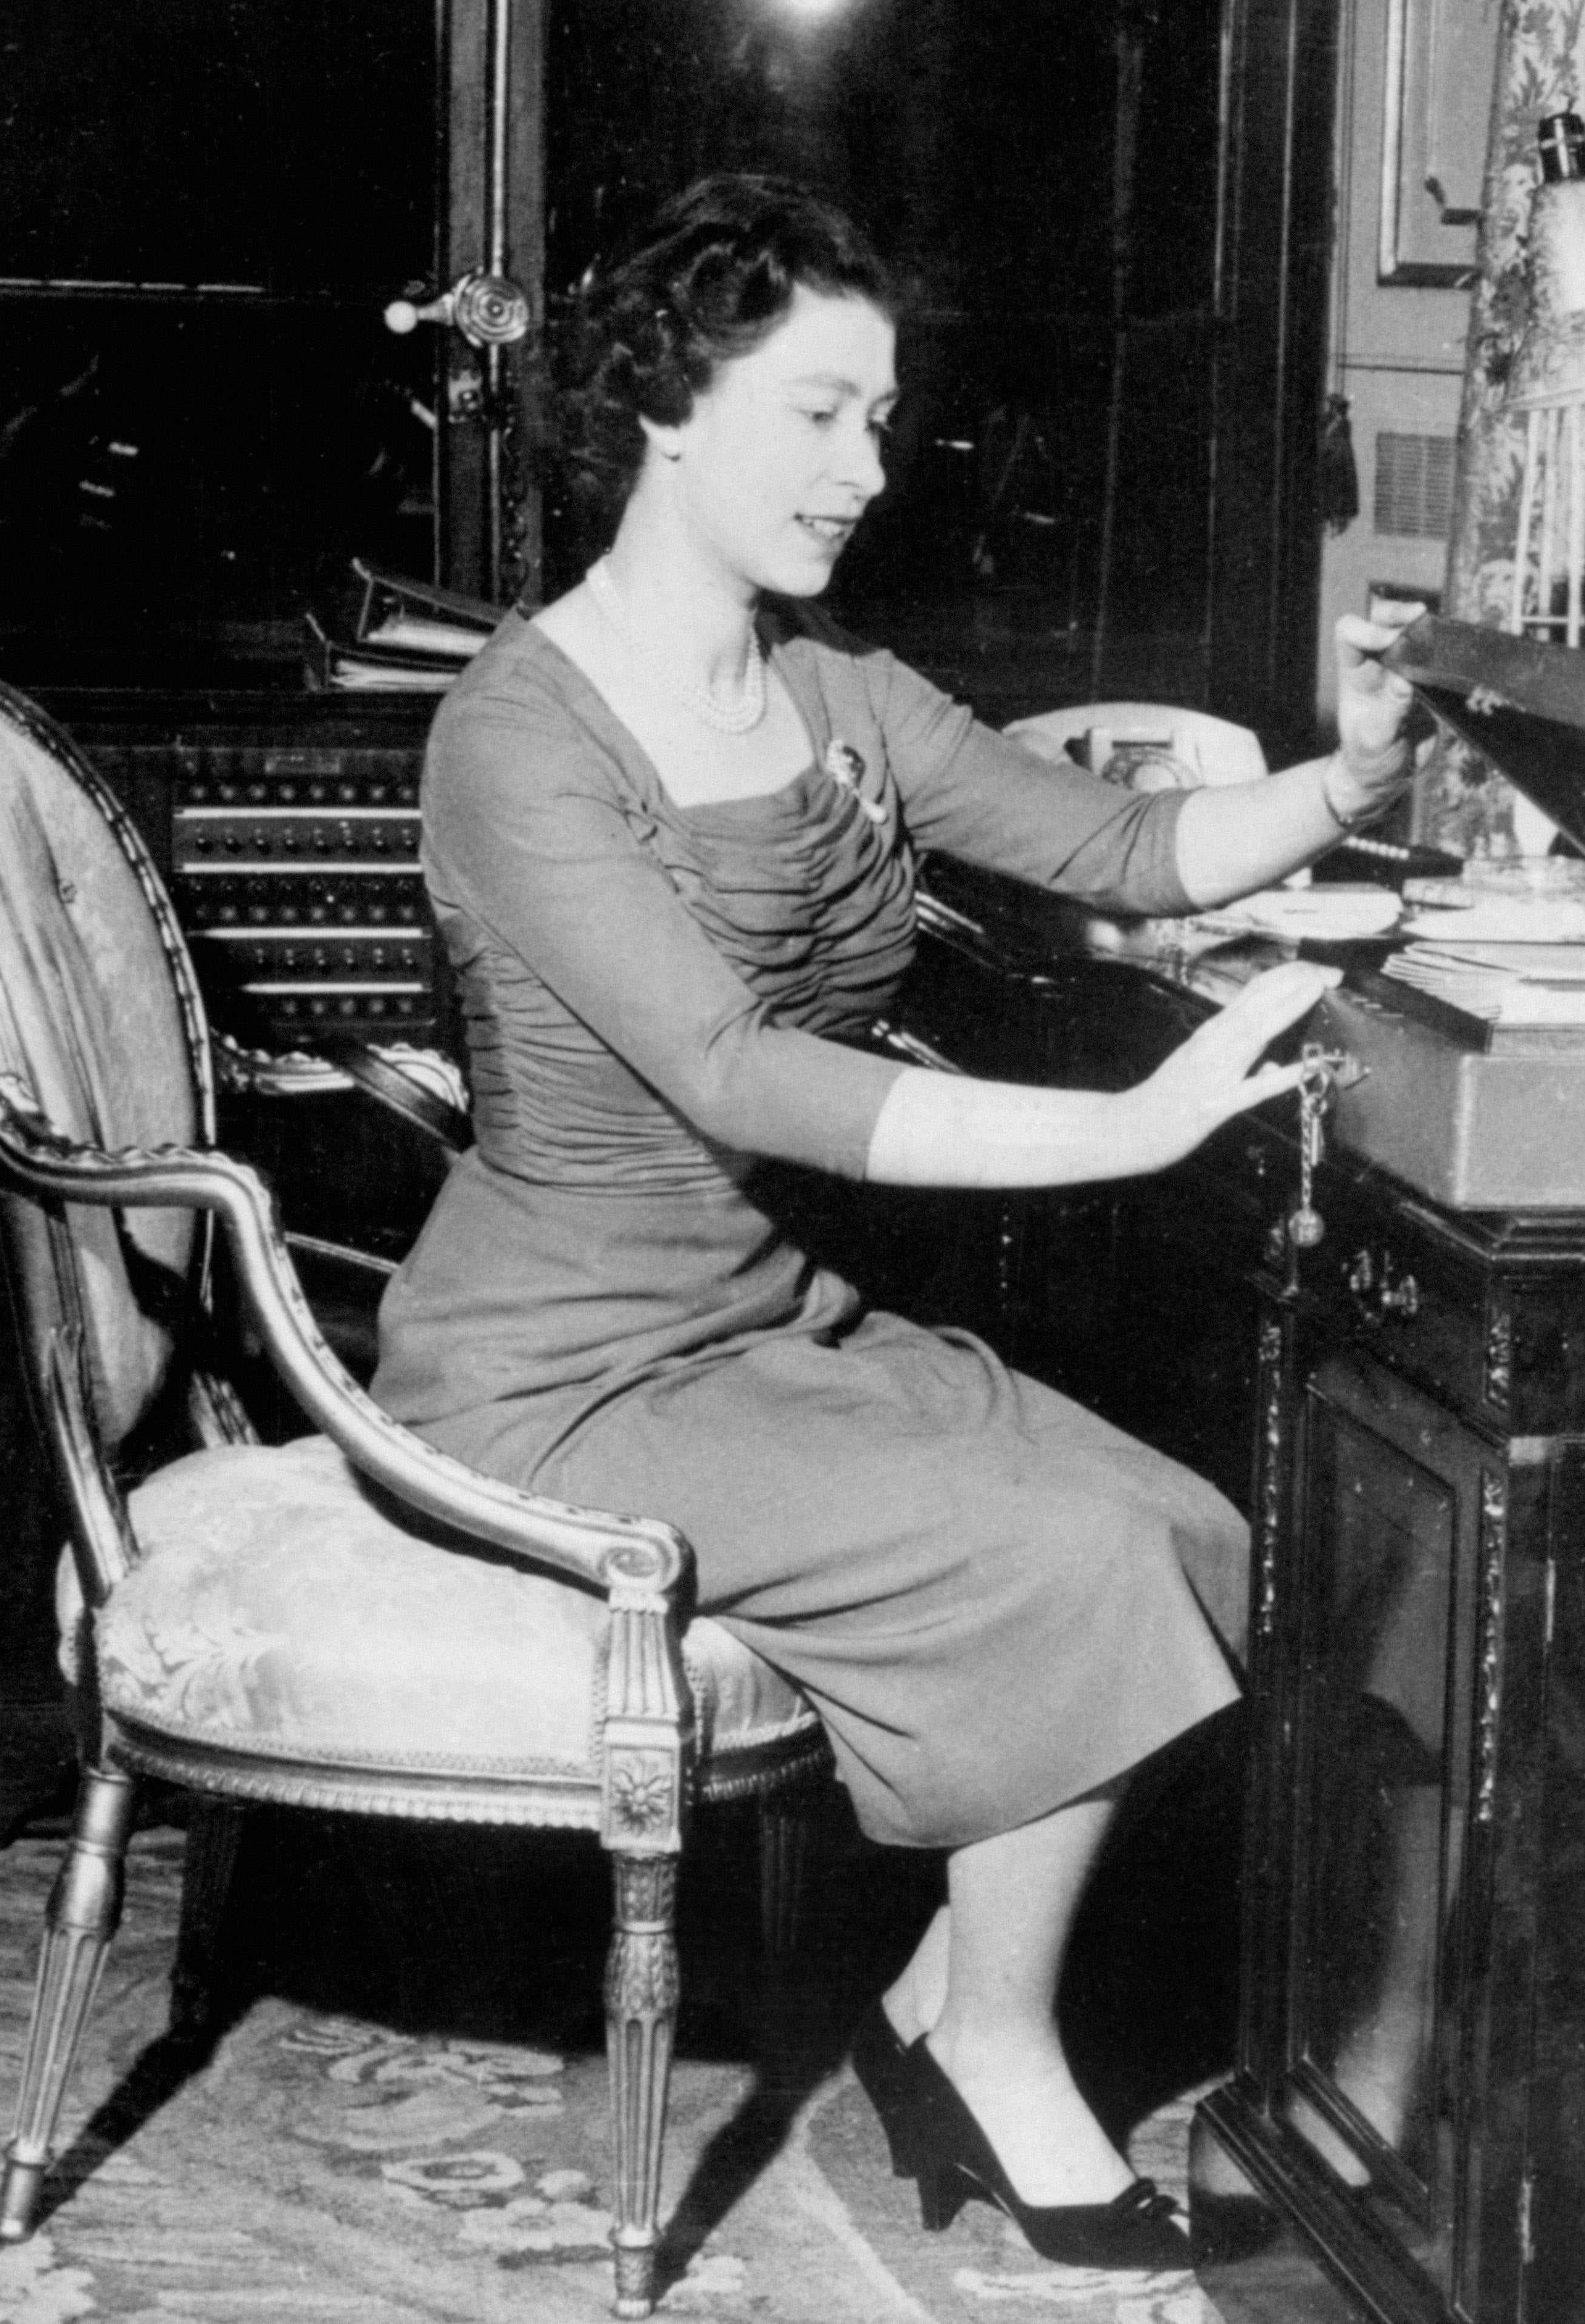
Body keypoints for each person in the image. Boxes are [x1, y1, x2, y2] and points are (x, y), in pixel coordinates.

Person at [369, 172, 1422, 2270]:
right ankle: (999, 2051)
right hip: (565, 1368)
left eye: (883, 419)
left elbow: (1124, 836)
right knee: (1078, 1549)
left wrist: (1351, 773)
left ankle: (948, 1995)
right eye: (822, 414)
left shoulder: (832, 688)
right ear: (669, 410)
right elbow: (740, 1075)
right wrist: (1126, 1129)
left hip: (771, 1325)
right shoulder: (518, 732)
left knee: (1200, 1526)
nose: (870, 469)